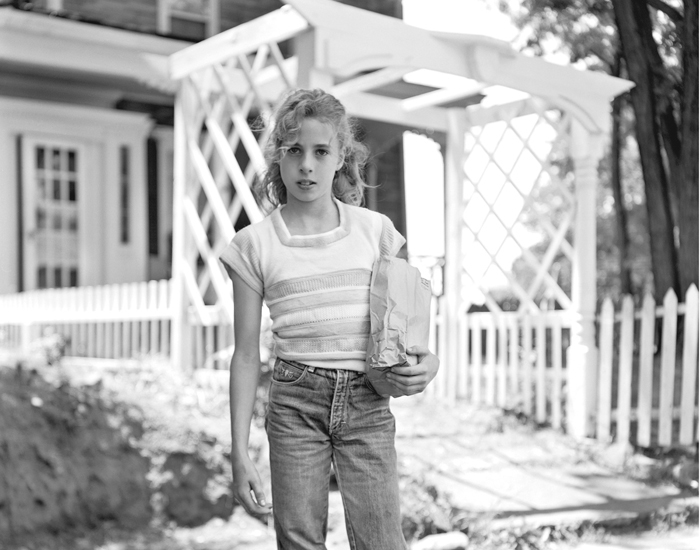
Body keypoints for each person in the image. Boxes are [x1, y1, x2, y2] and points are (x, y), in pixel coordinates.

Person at [220, 88, 439, 550]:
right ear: (277, 157)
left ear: (342, 157)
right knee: (299, 542)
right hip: (294, 407)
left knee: (382, 543)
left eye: (321, 151)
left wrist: (429, 362)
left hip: (367, 406)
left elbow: (407, 325)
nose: (306, 165)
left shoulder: (375, 231)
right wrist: (239, 451)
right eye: (294, 151)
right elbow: (244, 355)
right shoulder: (253, 245)